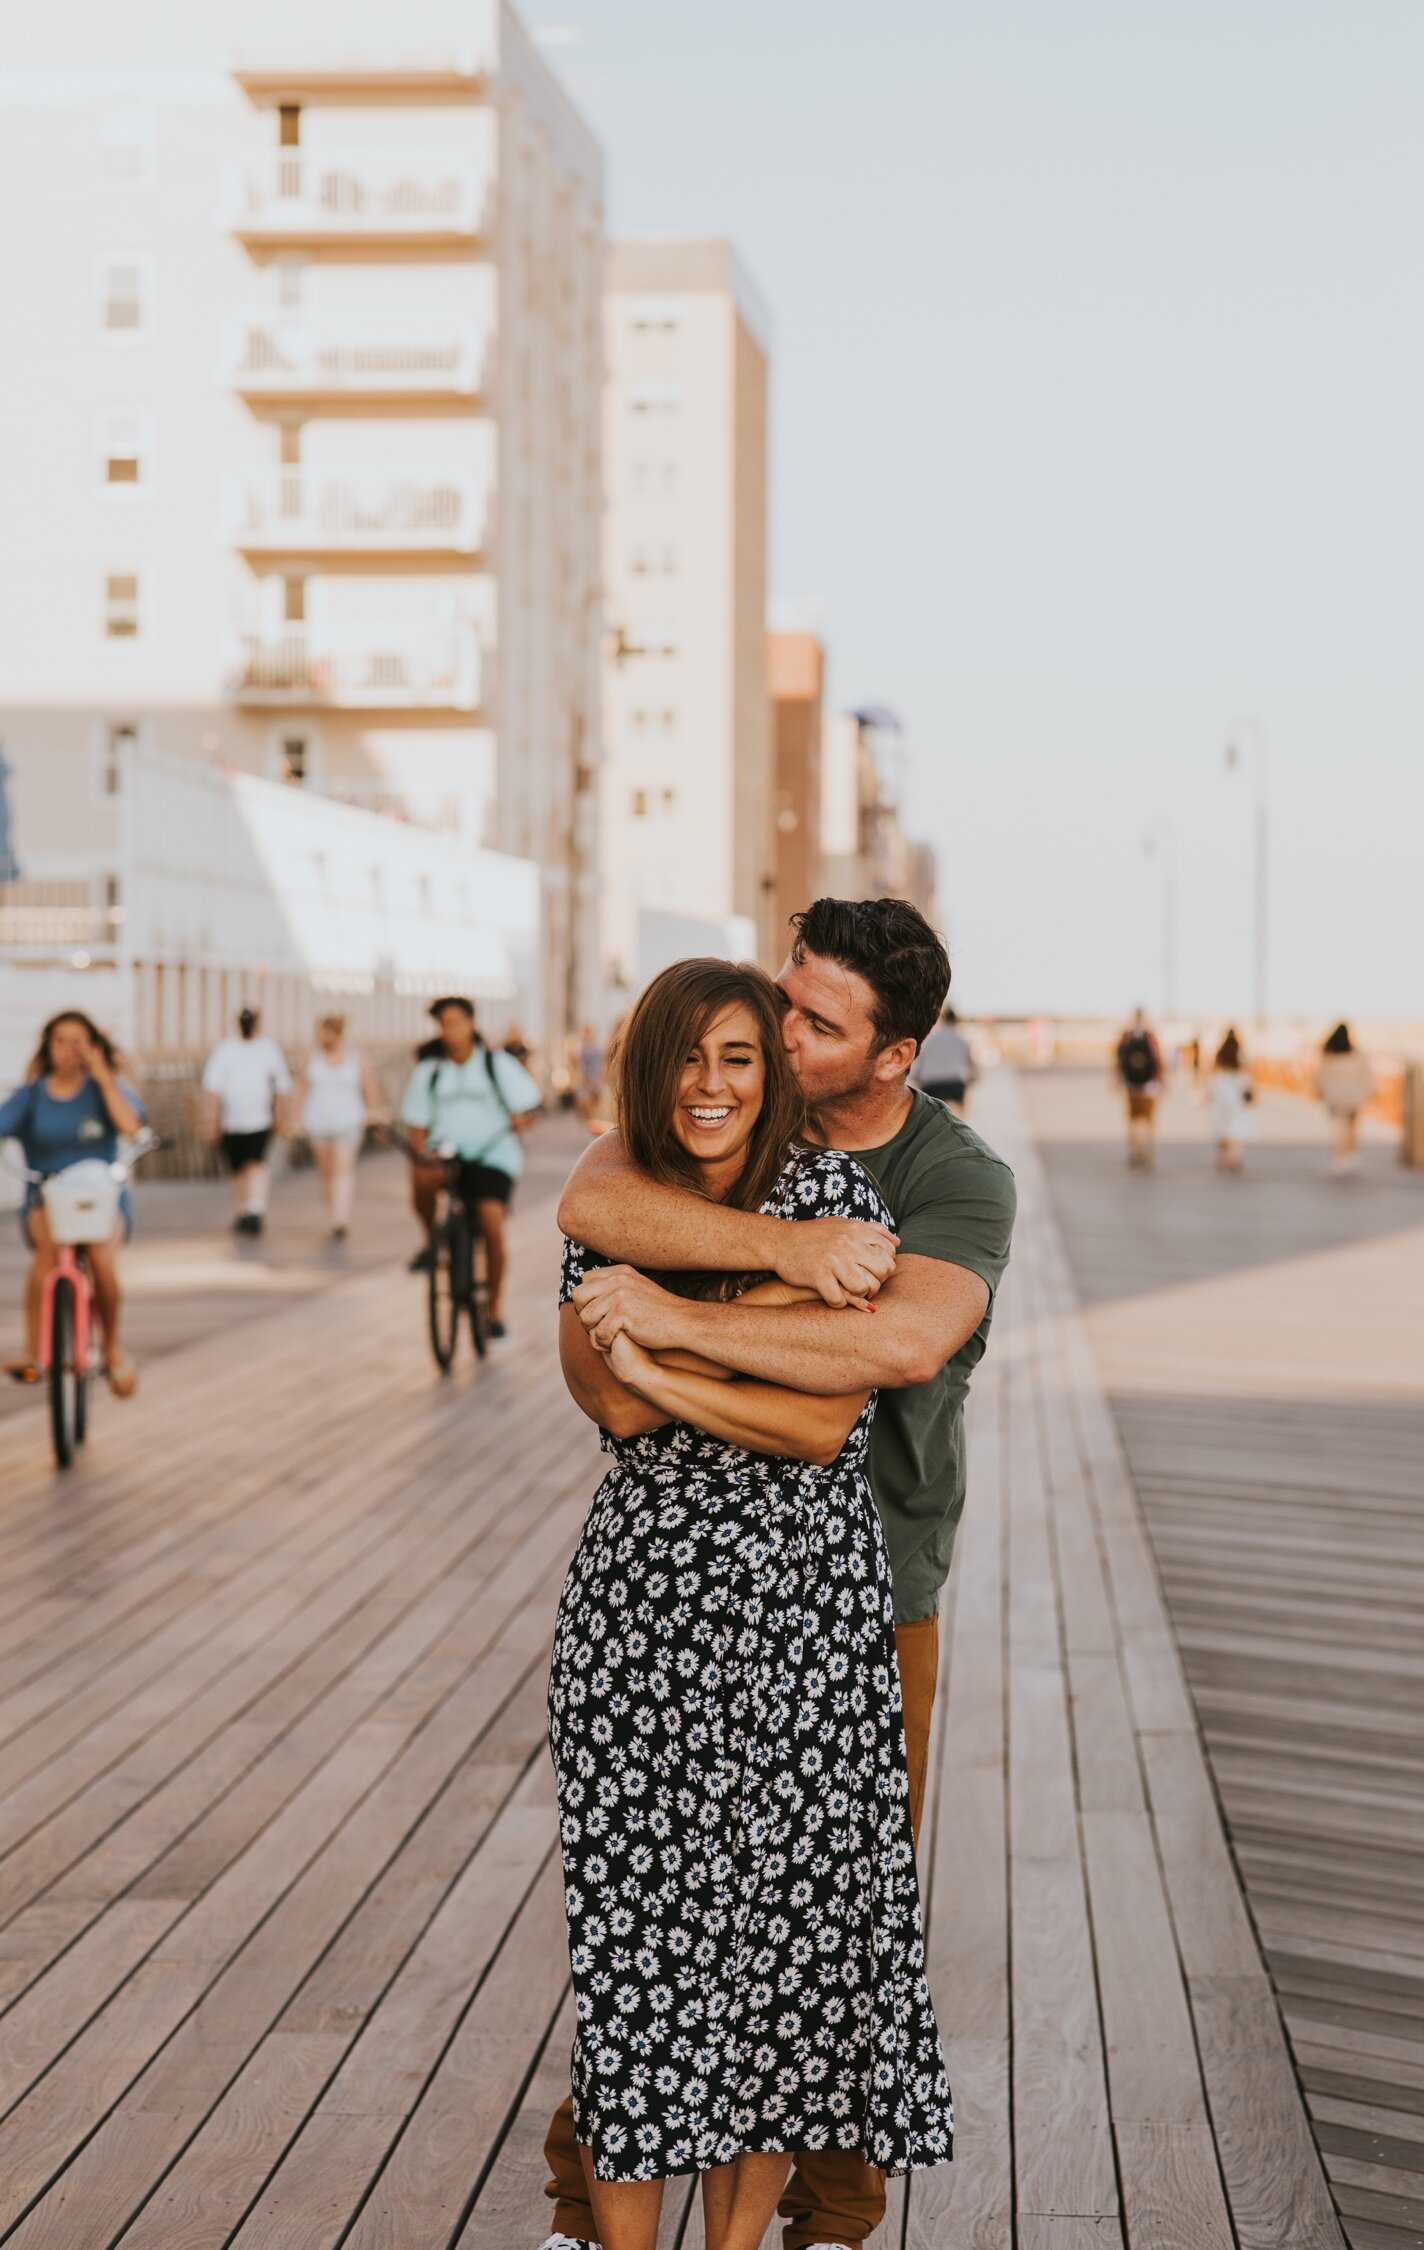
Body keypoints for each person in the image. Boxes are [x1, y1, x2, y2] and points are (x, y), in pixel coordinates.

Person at [540, 895, 1017, 2250]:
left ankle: (833, 2220)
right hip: (659, 1604)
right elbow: (593, 1213)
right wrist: (787, 1271)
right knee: (652, 1929)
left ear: (893, 1053)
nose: (779, 1035)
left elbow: (881, 1365)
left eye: (810, 1022)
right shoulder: (685, 1166)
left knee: (819, 1928)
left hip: (864, 1587)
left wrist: (665, 1328)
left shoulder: (948, 1177)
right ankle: (594, 2218)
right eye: (780, 1006)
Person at [0, 1010, 146, 1393]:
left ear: (92, 1046)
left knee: (100, 1257)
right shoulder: (31, 1095)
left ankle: (111, 1348)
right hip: (47, 1199)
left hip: (100, 1200)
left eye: (77, 1041)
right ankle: (34, 1350)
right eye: (60, 1040)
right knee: (48, 1253)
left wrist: (102, 1077)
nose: (68, 1050)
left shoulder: (106, 1088)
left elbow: (131, 1127)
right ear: (48, 1045)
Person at [399, 995, 541, 1337]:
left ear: (471, 1024)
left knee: (492, 1224)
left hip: (493, 1155)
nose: (450, 1030)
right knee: (421, 1177)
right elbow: (417, 1128)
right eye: (444, 1024)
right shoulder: (429, 1070)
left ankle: (493, 1310)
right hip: (447, 1155)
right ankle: (431, 1241)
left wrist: (522, 1120)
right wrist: (421, 1157)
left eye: (456, 1022)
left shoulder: (496, 1063)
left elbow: (529, 1106)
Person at [292, 1014, 386, 1241]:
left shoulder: (356, 1056)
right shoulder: (311, 1055)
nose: (322, 1038)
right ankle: (331, 1212)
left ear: (336, 1033)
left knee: (342, 1168)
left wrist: (376, 1113)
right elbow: (302, 1087)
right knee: (326, 1171)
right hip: (318, 1120)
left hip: (349, 1119)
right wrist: (295, 1117)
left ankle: (340, 1218)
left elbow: (369, 1087)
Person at [201, 1007, 293, 1236]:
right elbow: (213, 1088)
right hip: (232, 1121)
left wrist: (280, 1116)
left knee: (256, 1162)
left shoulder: (268, 1049)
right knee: (237, 1168)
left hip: (259, 1119)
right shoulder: (225, 1049)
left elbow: (281, 1086)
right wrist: (213, 1119)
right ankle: (244, 1208)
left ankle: (256, 1207)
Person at [1316, 1021, 1376, 1176]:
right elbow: (1366, 1076)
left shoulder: (1329, 1054)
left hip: (1334, 1096)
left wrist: (1321, 1091)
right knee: (1351, 1127)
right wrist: (1367, 1093)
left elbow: (1320, 1076)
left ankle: (1339, 1157)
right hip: (1352, 1096)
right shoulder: (1356, 1055)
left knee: (1338, 1127)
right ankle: (1350, 1155)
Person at [1115, 1007, 1165, 1169]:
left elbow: (1118, 1059)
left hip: (1131, 1084)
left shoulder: (1126, 1036)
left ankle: (1134, 1150)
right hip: (1149, 1085)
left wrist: (1116, 1080)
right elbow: (1158, 1059)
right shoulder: (1150, 1037)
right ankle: (1147, 1150)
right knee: (1148, 1119)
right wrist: (1162, 1081)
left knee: (1132, 1119)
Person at [912, 1003, 978, 1114]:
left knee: (930, 1110)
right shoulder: (961, 1039)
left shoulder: (931, 1039)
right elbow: (970, 1065)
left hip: (931, 1084)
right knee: (961, 1105)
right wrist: (973, 1077)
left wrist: (917, 1078)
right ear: (956, 1020)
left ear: (942, 1020)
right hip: (954, 1083)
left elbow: (920, 1064)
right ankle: (960, 1124)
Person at [1210, 1027, 1254, 1172]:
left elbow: (1212, 1071)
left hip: (1222, 1088)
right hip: (1237, 1088)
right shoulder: (1240, 1052)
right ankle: (1235, 1159)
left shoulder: (1220, 1052)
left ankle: (1222, 1160)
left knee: (1222, 1125)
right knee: (1237, 1125)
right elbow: (1249, 1072)